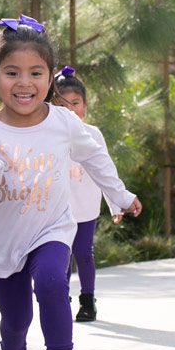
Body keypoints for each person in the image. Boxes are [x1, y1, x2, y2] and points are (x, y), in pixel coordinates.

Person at [0, 15, 142, 350]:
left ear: (49, 80)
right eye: (12, 73)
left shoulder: (63, 121)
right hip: (3, 241)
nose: (24, 83)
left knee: (51, 282)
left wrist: (120, 195)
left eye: (35, 73)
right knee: (16, 322)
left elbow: (96, 159)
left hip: (51, 228)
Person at [54, 66, 123, 322]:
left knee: (83, 254)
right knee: (60, 256)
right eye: (63, 104)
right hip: (57, 209)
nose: (70, 110)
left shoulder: (93, 133)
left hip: (85, 208)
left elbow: (105, 170)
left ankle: (87, 301)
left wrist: (116, 204)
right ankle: (60, 299)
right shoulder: (50, 133)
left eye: (75, 103)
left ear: (85, 104)